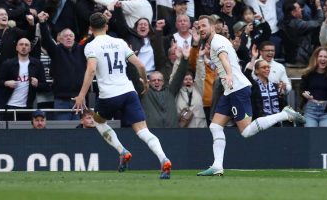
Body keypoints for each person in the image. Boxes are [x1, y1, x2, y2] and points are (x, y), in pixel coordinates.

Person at [196, 15, 305, 176]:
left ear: (212, 27)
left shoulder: (217, 42)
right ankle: (217, 165)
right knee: (215, 126)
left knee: (246, 131)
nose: (201, 29)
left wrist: (229, 74)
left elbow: (224, 59)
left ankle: (283, 114)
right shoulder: (215, 41)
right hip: (229, 90)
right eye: (199, 27)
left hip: (237, 89)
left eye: (204, 26)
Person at [73, 12, 172, 179]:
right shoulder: (120, 42)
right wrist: (145, 83)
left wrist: (81, 95)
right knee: (143, 131)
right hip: (128, 92)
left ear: (90, 28)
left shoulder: (91, 46)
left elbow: (91, 70)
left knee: (98, 122)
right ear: (106, 26)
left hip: (108, 95)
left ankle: (122, 151)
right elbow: (140, 64)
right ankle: (164, 159)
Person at [0, 37, 48, 120]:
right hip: (10, 105)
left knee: (25, 131)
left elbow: (45, 86)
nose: (24, 47)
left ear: (30, 48)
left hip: (28, 106)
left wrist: (37, 84)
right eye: (21, 44)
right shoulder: (8, 63)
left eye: (26, 45)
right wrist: (6, 83)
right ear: (17, 48)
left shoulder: (37, 64)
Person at [300, 46, 327, 127]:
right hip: (310, 109)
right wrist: (304, 94)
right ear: (316, 58)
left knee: (325, 137)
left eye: (325, 57)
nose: (323, 59)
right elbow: (302, 89)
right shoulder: (308, 74)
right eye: (320, 56)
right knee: (311, 136)